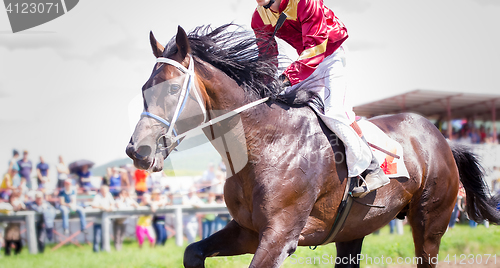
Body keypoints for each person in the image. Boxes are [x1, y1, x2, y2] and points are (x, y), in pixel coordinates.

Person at [251, 0, 389, 197]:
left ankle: (373, 169)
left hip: (331, 56)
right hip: (305, 63)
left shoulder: (305, 2)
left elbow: (316, 46)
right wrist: (264, 83)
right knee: (278, 102)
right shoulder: (258, 17)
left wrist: (286, 79)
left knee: (335, 111)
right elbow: (267, 55)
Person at [91, 184, 115, 252]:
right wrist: (103, 207)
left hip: (106, 221)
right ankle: (95, 251)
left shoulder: (109, 195)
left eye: (106, 191)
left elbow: (112, 204)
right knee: (97, 237)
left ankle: (103, 249)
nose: (105, 192)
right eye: (103, 191)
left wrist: (109, 208)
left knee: (104, 236)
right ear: (101, 191)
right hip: (98, 220)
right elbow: (93, 205)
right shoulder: (97, 196)